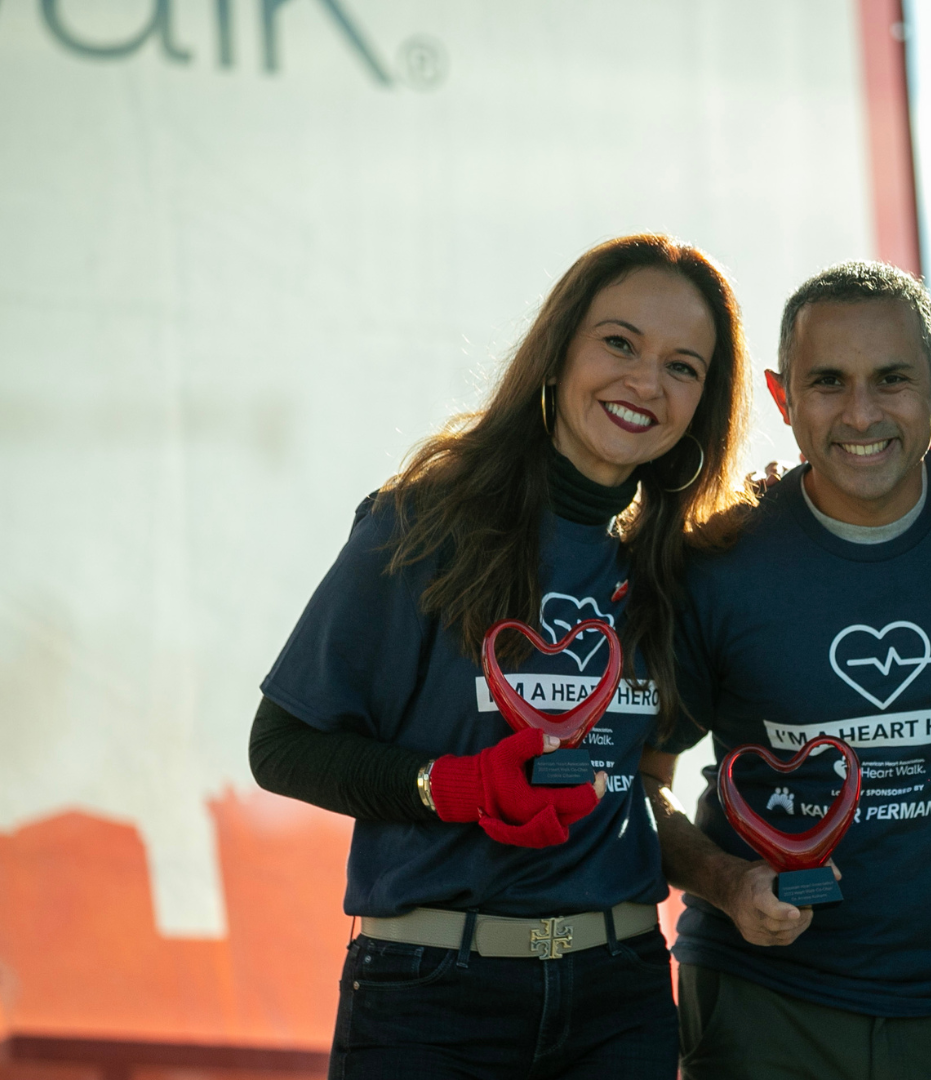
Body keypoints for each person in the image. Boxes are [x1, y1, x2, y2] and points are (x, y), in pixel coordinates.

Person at [247, 234, 752, 1078]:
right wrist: (458, 787)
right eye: (619, 343)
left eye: (682, 367)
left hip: (619, 998)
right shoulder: (421, 527)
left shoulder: (675, 566)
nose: (644, 383)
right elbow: (280, 748)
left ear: (705, 401)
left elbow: (648, 782)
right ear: (558, 350)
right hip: (430, 1000)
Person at [641, 262, 931, 1080]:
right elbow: (638, 784)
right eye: (827, 383)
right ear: (781, 395)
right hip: (761, 1003)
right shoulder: (719, 559)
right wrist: (727, 885)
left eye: (892, 381)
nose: (861, 413)